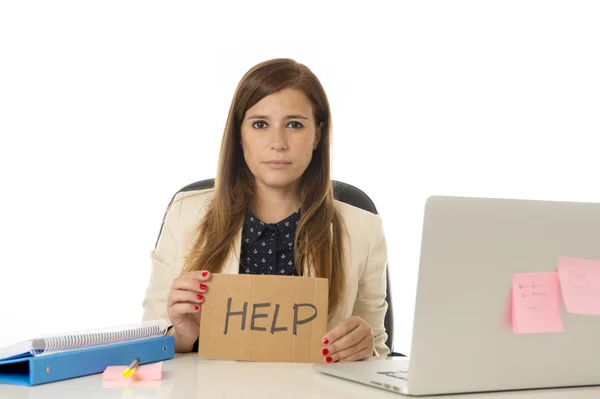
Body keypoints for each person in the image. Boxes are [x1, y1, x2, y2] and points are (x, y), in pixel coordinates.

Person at [141, 58, 391, 362]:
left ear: (318, 134)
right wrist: (181, 335)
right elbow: (148, 344)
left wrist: (366, 347)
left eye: (295, 125)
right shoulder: (185, 215)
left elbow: (379, 351)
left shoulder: (363, 229)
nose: (278, 143)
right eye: (260, 124)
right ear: (239, 134)